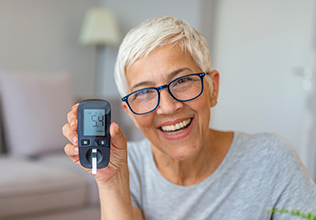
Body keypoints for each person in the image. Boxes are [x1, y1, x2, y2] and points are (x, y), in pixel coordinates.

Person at [62, 15, 316, 220]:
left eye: (182, 81)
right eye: (145, 92)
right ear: (130, 112)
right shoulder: (129, 167)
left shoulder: (271, 159)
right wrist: (111, 180)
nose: (168, 107)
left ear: (213, 89)